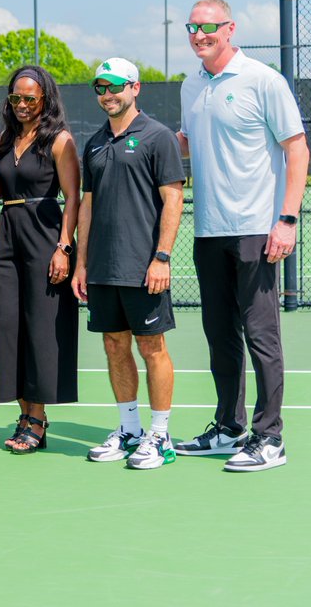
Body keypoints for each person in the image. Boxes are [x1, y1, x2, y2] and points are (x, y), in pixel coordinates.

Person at [174, 0, 309, 472]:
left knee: (261, 335)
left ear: (230, 28)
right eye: (192, 28)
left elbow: (297, 149)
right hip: (209, 230)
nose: (198, 35)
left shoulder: (263, 80)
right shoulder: (191, 86)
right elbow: (186, 144)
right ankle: (229, 429)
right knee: (219, 335)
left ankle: (269, 437)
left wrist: (286, 220)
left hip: (258, 229)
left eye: (207, 27)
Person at [71, 59, 185, 470]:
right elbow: (88, 204)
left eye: (115, 86)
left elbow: (173, 199)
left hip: (144, 266)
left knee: (152, 347)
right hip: (102, 267)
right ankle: (130, 429)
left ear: (135, 88)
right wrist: (81, 263)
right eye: (100, 87)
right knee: (114, 345)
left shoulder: (157, 137)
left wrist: (162, 257)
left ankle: (161, 435)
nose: (107, 94)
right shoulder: (95, 142)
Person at [0, 66, 81, 455]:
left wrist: (64, 247)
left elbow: (74, 198)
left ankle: (38, 419)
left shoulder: (59, 141)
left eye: (31, 97)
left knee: (41, 329)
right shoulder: (5, 139)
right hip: (6, 238)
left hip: (44, 238)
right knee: (9, 327)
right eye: (16, 98)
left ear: (45, 98)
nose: (23, 104)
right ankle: (22, 413)